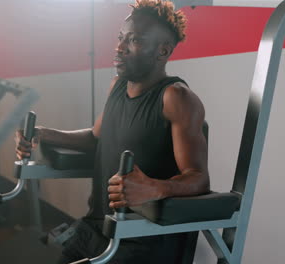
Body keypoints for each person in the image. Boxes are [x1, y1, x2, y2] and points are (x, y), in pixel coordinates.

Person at [15, 1, 209, 263]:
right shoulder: (118, 86)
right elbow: (96, 137)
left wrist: (155, 187)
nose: (119, 47)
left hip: (141, 240)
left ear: (162, 51)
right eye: (121, 37)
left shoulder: (176, 98)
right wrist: (43, 133)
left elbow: (198, 179)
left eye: (135, 40)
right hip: (96, 228)